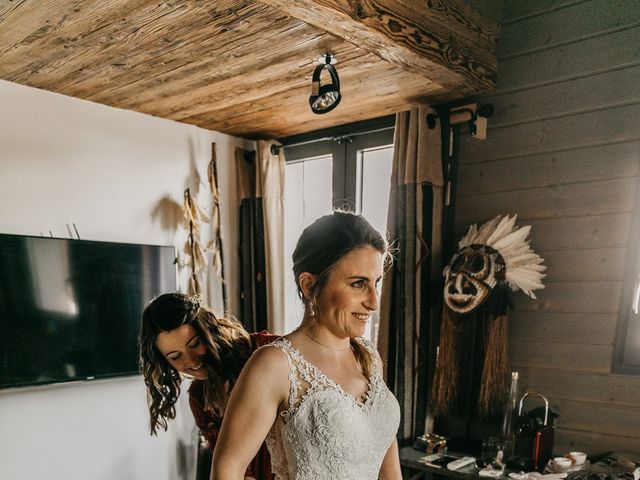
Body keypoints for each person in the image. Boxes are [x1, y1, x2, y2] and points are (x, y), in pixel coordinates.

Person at [212, 210, 402, 480]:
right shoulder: (274, 365)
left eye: (376, 283)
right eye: (358, 284)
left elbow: (386, 455)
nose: (374, 302)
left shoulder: (368, 356)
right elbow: (226, 473)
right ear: (309, 285)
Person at [139, 292, 277, 480]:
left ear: (210, 330)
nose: (191, 361)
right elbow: (234, 470)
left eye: (194, 344)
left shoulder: (268, 351)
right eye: (175, 357)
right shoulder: (199, 398)